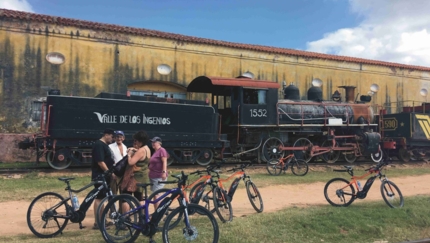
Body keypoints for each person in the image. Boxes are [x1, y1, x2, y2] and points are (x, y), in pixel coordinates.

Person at [91, 128, 115, 230]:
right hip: (100, 176)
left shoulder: (104, 145)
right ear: (106, 135)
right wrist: (108, 172)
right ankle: (97, 222)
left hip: (104, 176)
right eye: (112, 137)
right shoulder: (99, 145)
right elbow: (100, 161)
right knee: (99, 198)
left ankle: (102, 219)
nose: (113, 139)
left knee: (103, 198)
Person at [122, 131, 151, 203]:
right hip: (142, 177)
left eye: (136, 140)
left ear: (140, 141)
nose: (134, 142)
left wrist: (129, 154)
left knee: (126, 199)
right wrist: (134, 149)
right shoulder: (146, 148)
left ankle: (126, 214)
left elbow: (131, 162)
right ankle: (141, 213)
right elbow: (141, 155)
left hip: (135, 178)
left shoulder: (141, 150)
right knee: (139, 198)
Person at [148, 136, 168, 210]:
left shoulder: (162, 150)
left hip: (159, 176)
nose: (152, 143)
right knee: (155, 195)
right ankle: (156, 211)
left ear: (159, 143)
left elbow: (164, 162)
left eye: (154, 142)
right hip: (153, 176)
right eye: (152, 142)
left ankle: (158, 212)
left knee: (156, 195)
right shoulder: (155, 152)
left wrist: (164, 172)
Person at [108, 130, 127, 195]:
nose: (119, 138)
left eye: (120, 137)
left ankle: (122, 205)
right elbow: (109, 160)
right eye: (117, 136)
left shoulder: (125, 147)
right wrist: (112, 173)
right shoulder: (110, 147)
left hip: (123, 174)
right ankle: (112, 205)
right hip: (115, 173)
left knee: (123, 193)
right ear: (114, 138)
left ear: (123, 138)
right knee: (113, 193)